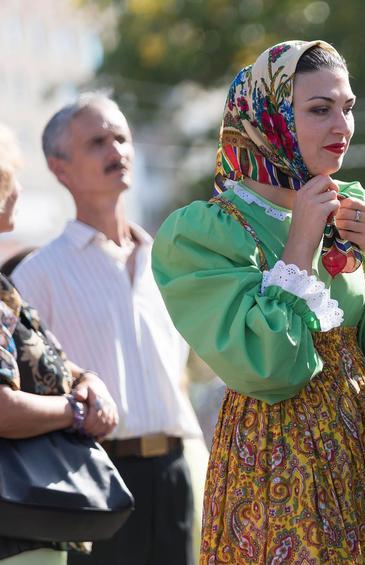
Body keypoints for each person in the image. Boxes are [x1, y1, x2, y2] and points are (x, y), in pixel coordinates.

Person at [151, 41, 365, 563]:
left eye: (346, 108)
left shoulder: (352, 206)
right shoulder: (203, 233)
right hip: (277, 463)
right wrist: (301, 240)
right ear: (270, 117)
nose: (343, 127)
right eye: (319, 110)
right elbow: (268, 366)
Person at [12, 94, 203, 565]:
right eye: (97, 141)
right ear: (59, 168)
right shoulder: (36, 276)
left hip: (175, 473)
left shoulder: (169, 262)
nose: (116, 150)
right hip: (93, 476)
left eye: (121, 137)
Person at [0, 125, 118, 564]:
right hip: (14, 535)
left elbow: (45, 362)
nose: (19, 189)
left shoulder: (4, 288)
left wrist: (89, 379)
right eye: (12, 176)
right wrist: (77, 412)